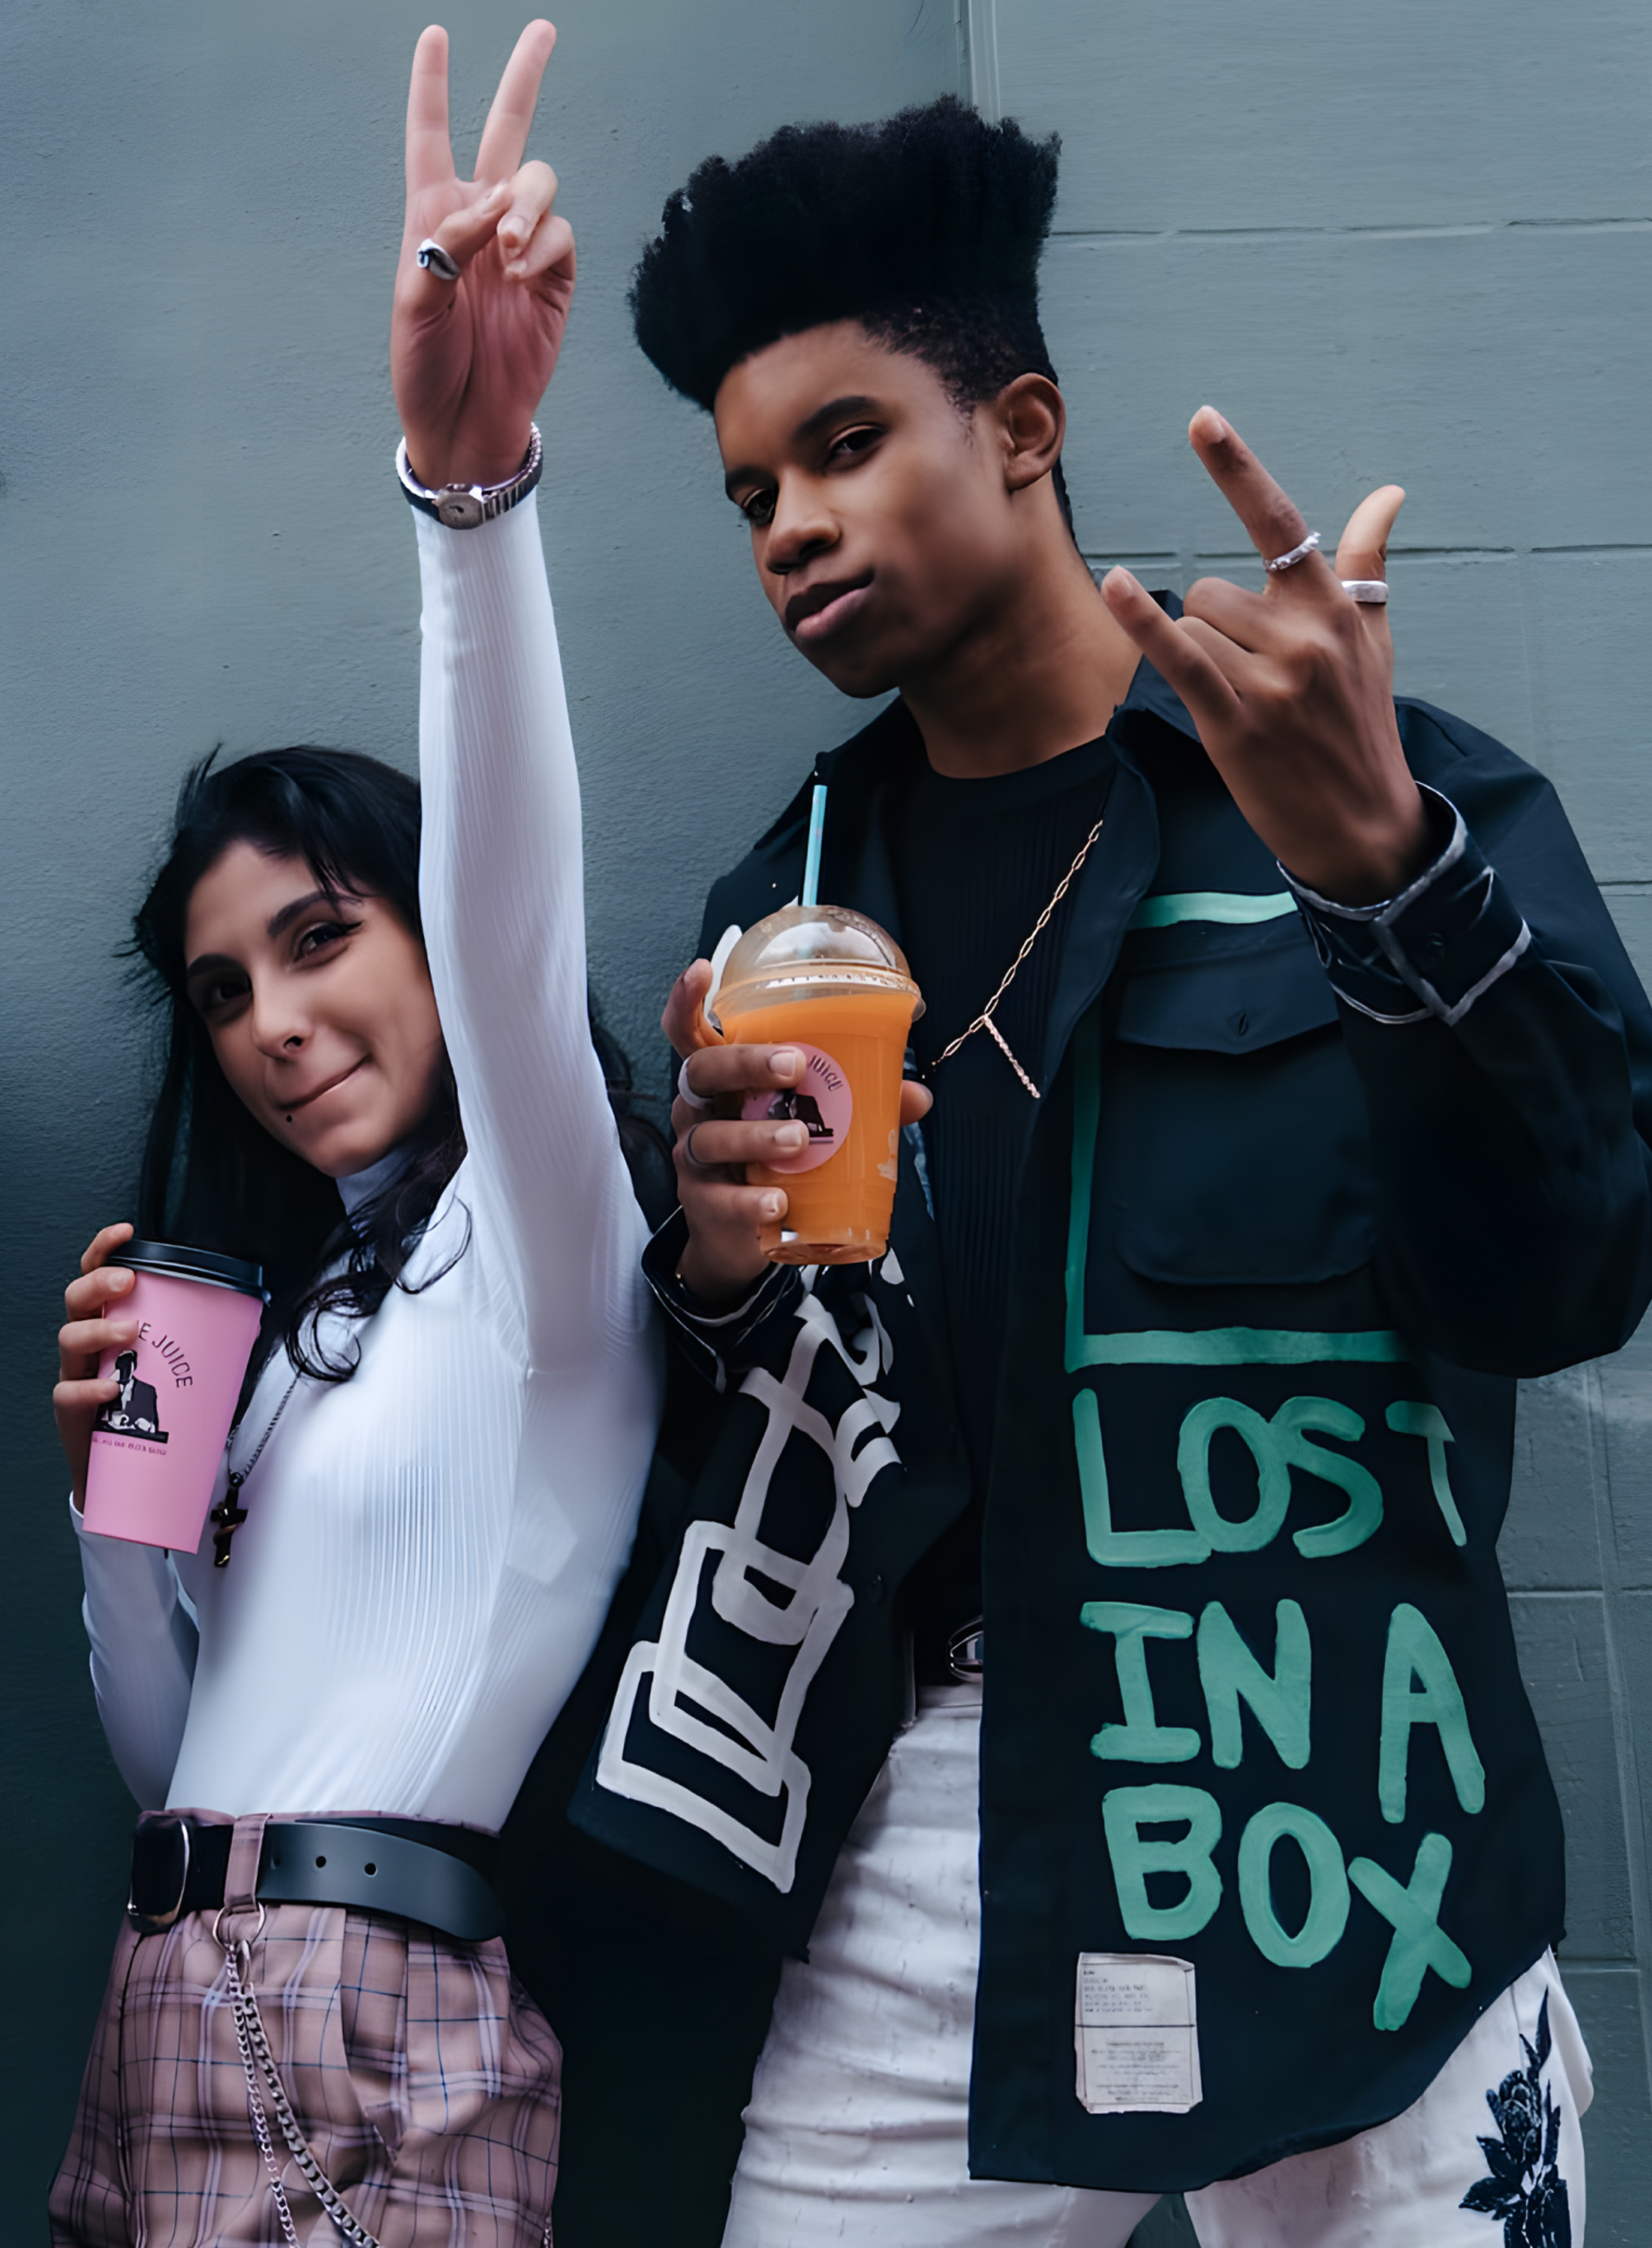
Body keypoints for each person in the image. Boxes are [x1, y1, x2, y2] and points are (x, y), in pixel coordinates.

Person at [536, 93, 1649, 2248]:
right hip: (946, 1806)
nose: (786, 525)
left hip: (1351, 1785)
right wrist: (714, 1266)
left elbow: (1576, 1267)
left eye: (847, 444)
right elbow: (776, 1437)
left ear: (1024, 422)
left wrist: (1394, 884)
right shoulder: (791, 900)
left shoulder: (1349, 778)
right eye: (754, 487)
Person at [48, 25, 663, 2244]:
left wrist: (466, 498)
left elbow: (517, 928)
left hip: (368, 2017)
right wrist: (124, 1513)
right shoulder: (300, 1329)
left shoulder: (546, 1246)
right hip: (164, 1987)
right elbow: (178, 1761)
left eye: (322, 937)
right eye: (225, 990)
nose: (276, 1023)